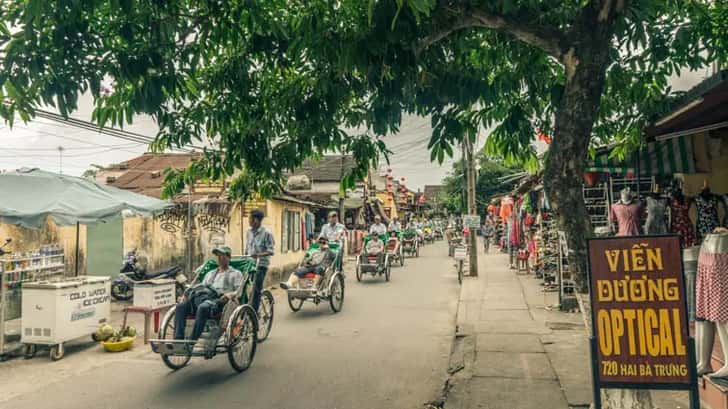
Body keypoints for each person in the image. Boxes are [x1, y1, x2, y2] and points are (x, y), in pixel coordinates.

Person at [174, 246, 243, 346]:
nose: (219, 258)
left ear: (228, 257)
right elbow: (201, 288)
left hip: (220, 302)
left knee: (203, 308)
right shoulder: (210, 273)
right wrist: (187, 295)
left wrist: (229, 294)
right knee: (180, 306)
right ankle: (178, 340)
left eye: (222, 256)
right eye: (218, 256)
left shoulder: (236, 274)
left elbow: (239, 292)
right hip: (203, 298)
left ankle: (191, 342)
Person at [245, 209, 275, 312]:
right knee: (242, 284)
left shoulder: (267, 233)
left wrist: (257, 255)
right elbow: (247, 248)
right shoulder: (248, 232)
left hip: (261, 264)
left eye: (250, 218)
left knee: (256, 289)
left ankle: (254, 312)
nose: (248, 220)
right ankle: (244, 307)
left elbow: (271, 251)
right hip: (249, 263)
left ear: (256, 220)